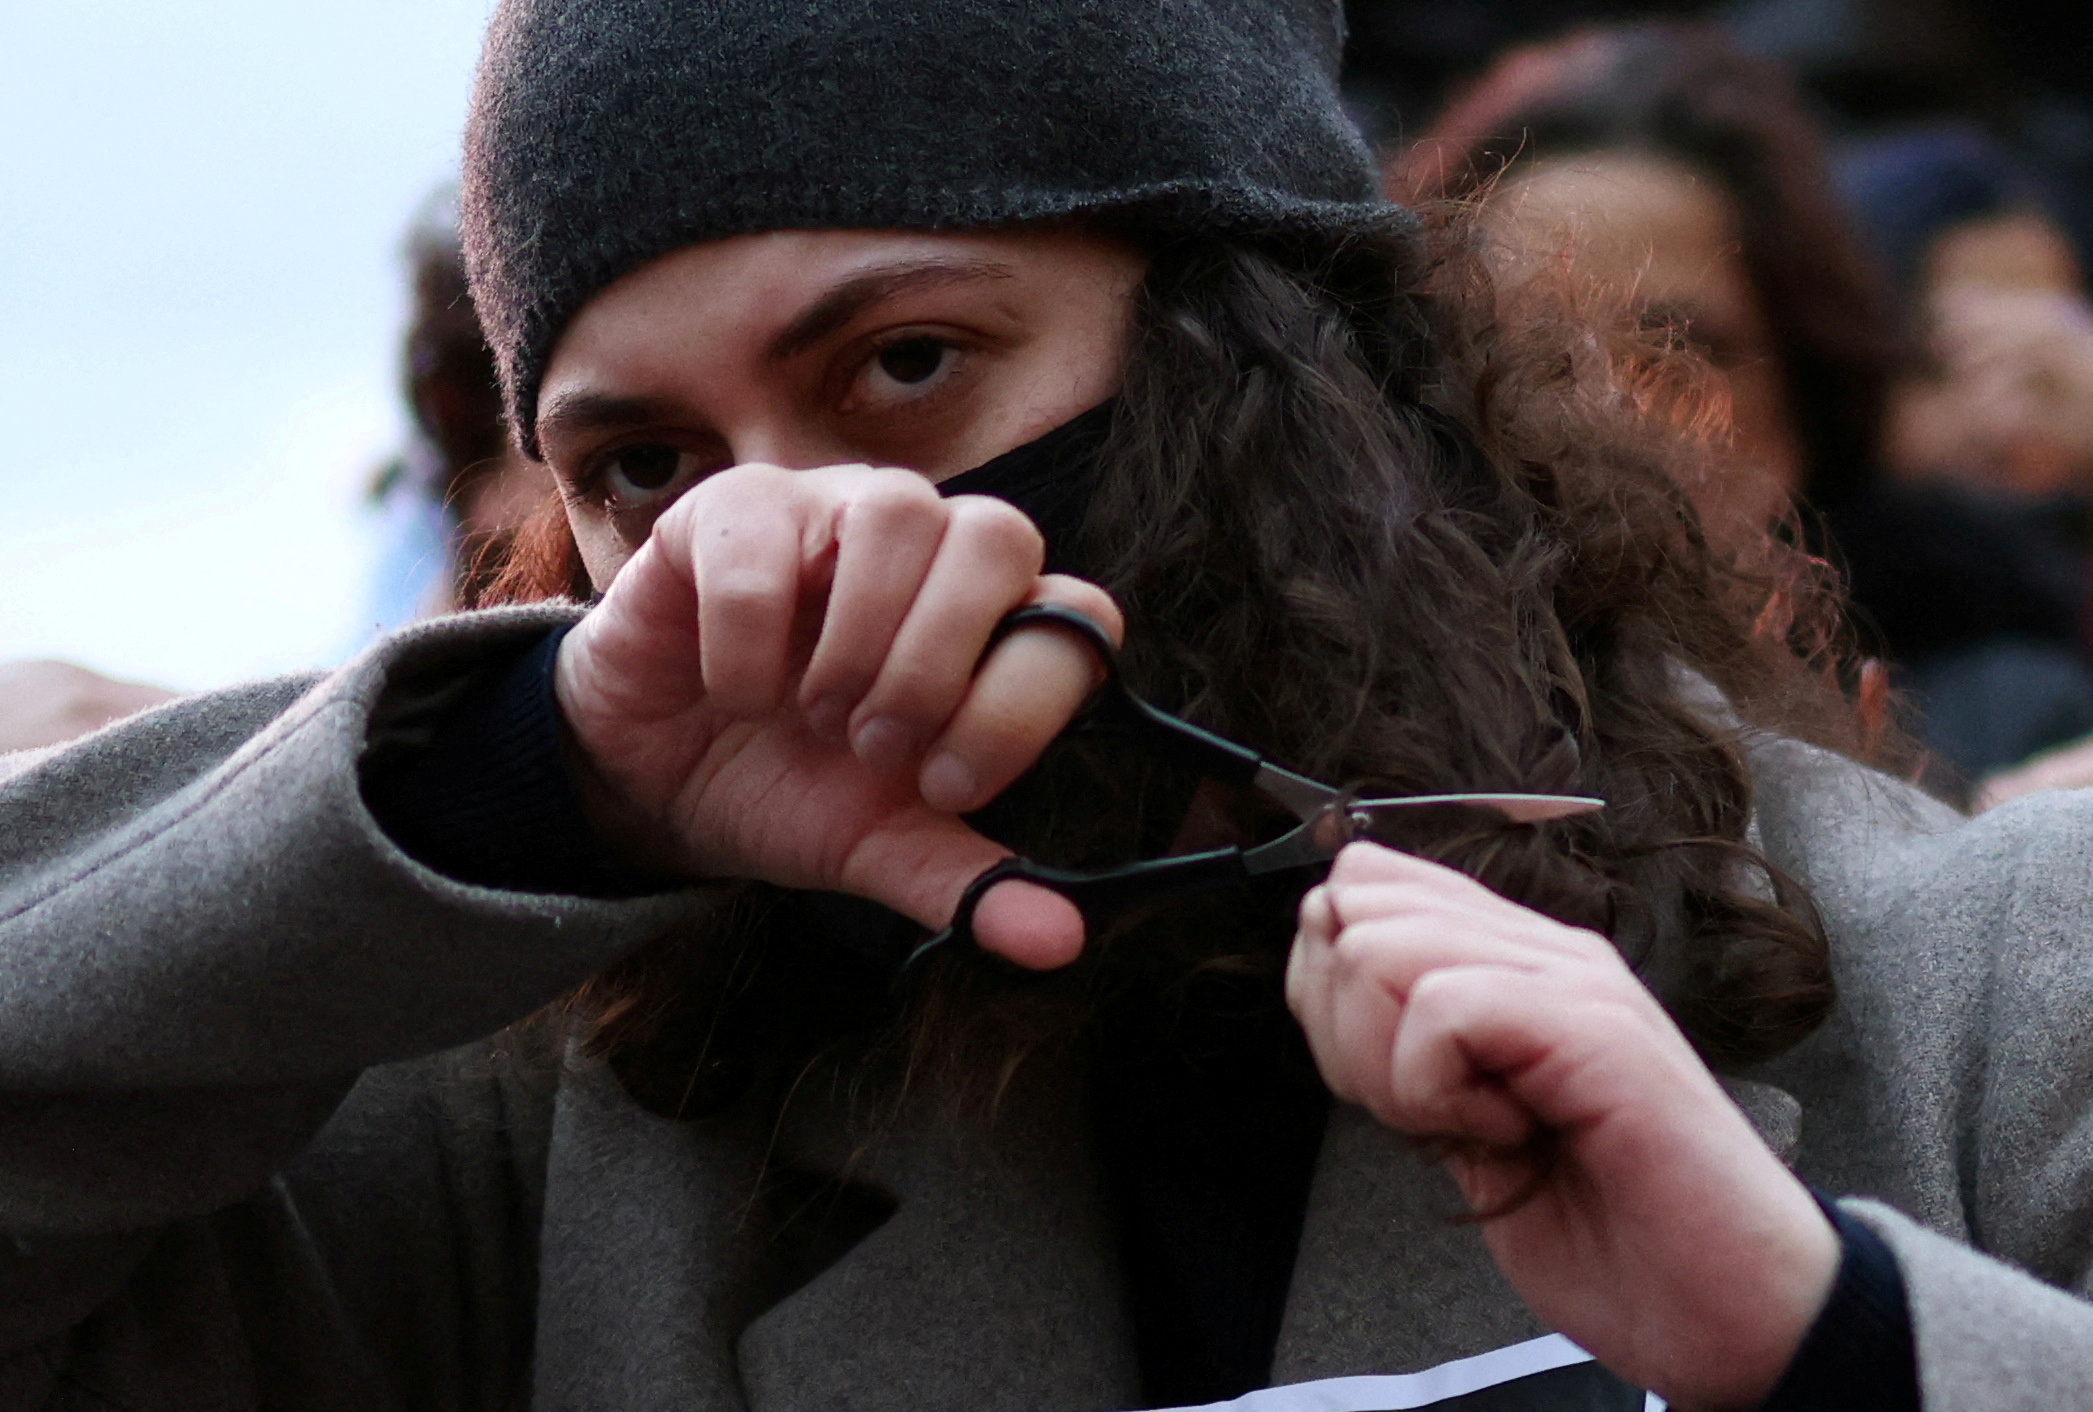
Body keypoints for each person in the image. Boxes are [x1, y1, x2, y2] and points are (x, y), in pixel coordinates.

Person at [6, 3, 2093, 1410]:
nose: (783, 548)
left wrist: (1824, 1338)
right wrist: (494, 786)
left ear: (1270, 358)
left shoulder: (1999, 990)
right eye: (645, 469)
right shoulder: (535, 1165)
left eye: (904, 365)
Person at [1393, 21, 2093, 788]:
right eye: (1533, 350)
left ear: (1798, 406)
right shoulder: (1350, 706)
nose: (1603, 406)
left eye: (1679, 349)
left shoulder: (1998, 724)